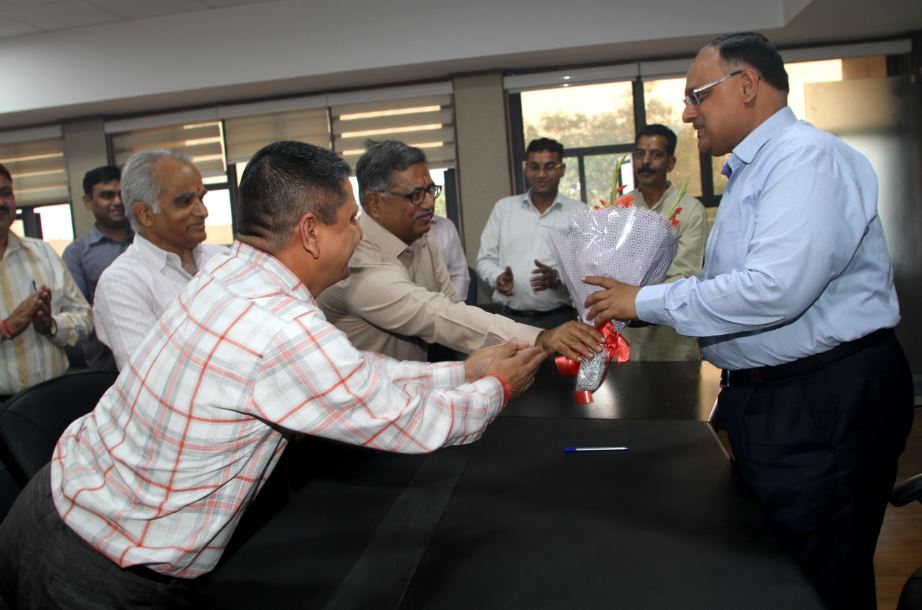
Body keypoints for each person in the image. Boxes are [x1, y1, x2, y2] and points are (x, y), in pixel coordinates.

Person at [0, 141, 545, 608]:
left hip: (54, 503)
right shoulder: (278, 325)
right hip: (94, 568)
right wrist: (495, 388)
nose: (360, 234)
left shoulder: (228, 272)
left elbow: (345, 374)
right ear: (310, 233)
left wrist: (465, 370)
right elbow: (411, 425)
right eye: (352, 220)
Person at [582, 32, 914, 610]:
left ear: (747, 85)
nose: (687, 113)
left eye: (697, 96)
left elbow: (774, 291)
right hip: (780, 396)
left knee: (818, 577)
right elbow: (735, 290)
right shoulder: (754, 170)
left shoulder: (805, 160)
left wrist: (645, 302)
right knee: (782, 566)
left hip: (822, 399)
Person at [317, 139, 603, 363]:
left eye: (430, 190)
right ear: (374, 203)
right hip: (364, 409)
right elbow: (435, 315)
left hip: (415, 385)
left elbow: (451, 307)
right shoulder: (356, 258)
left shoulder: (421, 236)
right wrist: (542, 337)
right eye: (416, 195)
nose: (429, 204)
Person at [92, 149, 226, 369]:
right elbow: (149, 377)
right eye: (185, 201)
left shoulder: (223, 260)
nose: (203, 212)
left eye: (201, 198)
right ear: (144, 213)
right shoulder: (122, 283)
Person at [0, 162, 92, 399]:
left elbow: (86, 317)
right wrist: (6, 328)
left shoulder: (43, 254)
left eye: (5, 193)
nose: (2, 203)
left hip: (50, 401)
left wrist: (52, 326)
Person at [620, 124, 708, 361]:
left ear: (671, 163)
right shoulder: (619, 208)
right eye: (640, 154)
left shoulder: (690, 210)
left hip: (673, 341)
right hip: (627, 340)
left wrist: (636, 300)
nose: (645, 161)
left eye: (656, 154)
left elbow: (684, 274)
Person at [476, 137, 584, 329]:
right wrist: (498, 277)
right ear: (526, 168)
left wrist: (557, 278)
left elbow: (586, 269)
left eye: (549, 167)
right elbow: (484, 260)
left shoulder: (580, 213)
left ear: (562, 169)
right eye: (535, 167)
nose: (541, 174)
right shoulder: (504, 208)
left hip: (559, 321)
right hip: (509, 321)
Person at [62, 165, 134, 370]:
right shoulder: (76, 253)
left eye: (122, 194)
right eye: (107, 195)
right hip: (104, 367)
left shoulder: (149, 242)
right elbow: (79, 314)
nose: (118, 202)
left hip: (155, 357)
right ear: (88, 201)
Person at [429, 214, 470, 301]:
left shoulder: (446, 225)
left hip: (446, 306)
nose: (429, 203)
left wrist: (451, 306)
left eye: (433, 199)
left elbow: (459, 275)